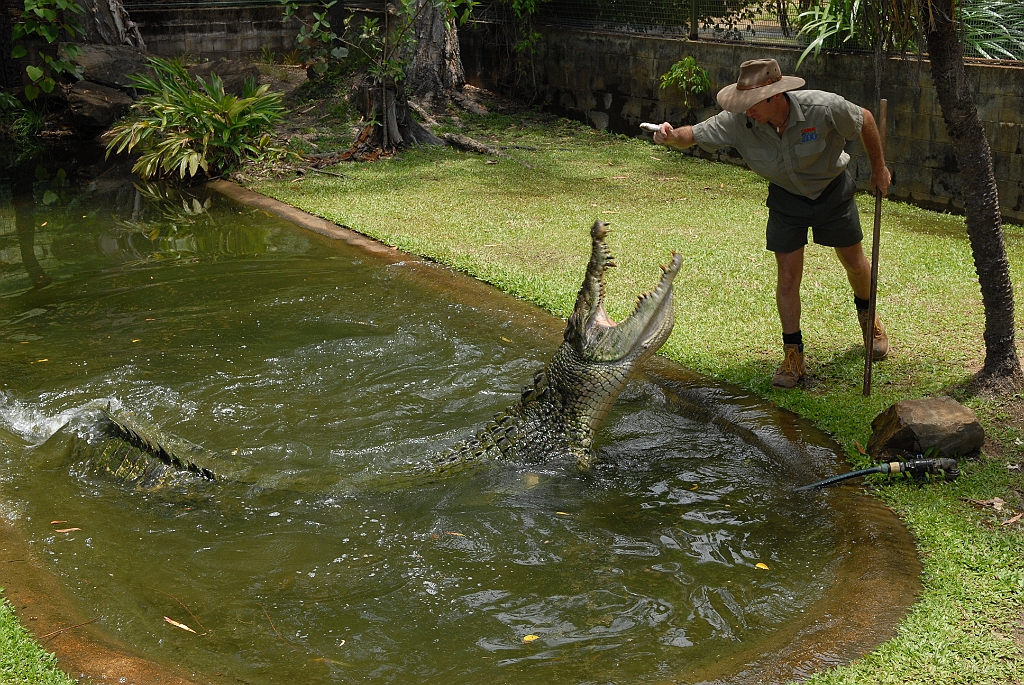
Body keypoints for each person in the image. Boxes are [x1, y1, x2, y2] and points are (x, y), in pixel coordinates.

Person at [653, 58, 892, 389]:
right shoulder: (738, 120)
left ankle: (869, 318)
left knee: (854, 262)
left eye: (753, 103)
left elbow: (865, 119)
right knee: (788, 277)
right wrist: (669, 136)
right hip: (786, 199)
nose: (747, 110)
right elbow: (691, 135)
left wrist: (879, 168)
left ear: (775, 95)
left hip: (832, 191)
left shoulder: (822, 107)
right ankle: (793, 355)